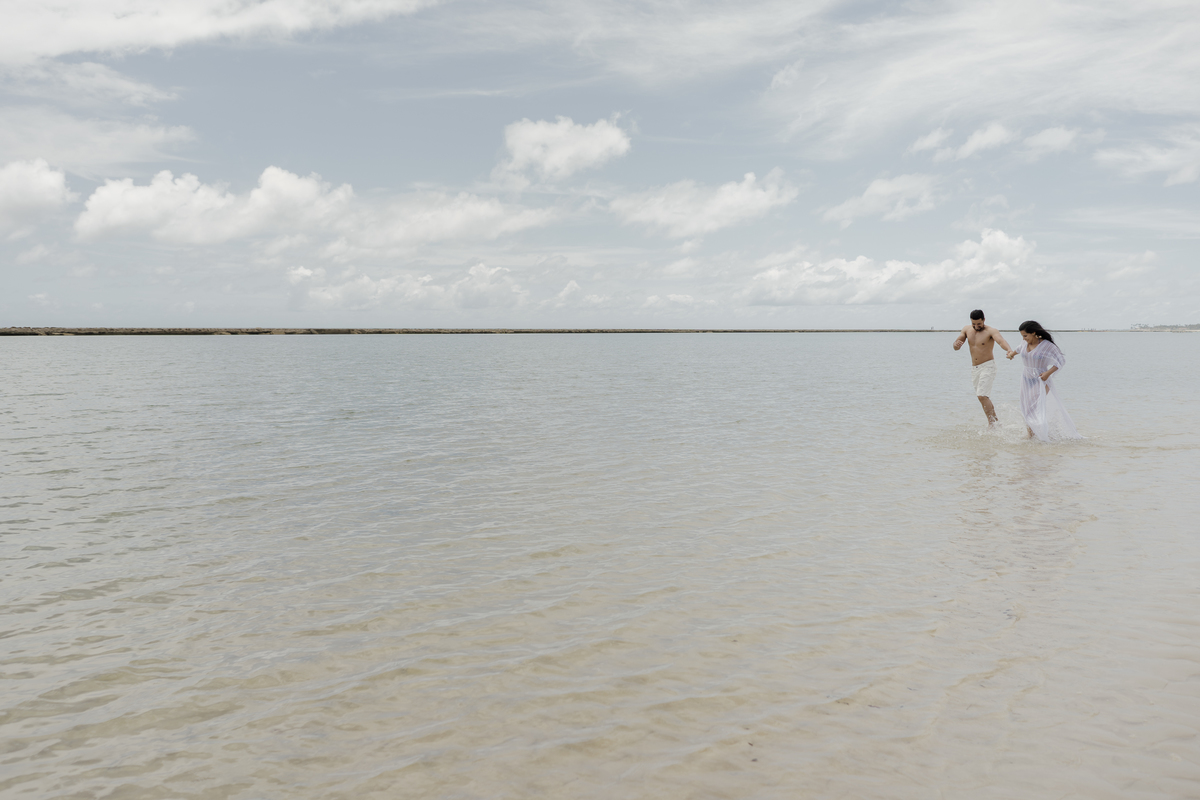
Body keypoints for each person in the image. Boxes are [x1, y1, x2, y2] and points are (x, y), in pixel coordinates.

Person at [1005, 320, 1081, 441]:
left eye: (1025, 335)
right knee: (1026, 407)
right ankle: (1031, 435)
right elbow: (1019, 349)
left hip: (1041, 380)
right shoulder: (1024, 343)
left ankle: (1043, 435)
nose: (1024, 339)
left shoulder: (1047, 345)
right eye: (1022, 336)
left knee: (1035, 407)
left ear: (1034, 333)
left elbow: (1061, 361)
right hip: (1025, 380)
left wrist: (1048, 373)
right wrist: (1011, 354)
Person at [953, 310, 1014, 426]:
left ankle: (992, 424)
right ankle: (995, 422)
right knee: (982, 397)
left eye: (979, 324)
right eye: (973, 324)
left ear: (984, 320)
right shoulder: (966, 329)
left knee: (982, 395)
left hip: (988, 366)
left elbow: (1001, 341)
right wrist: (955, 345)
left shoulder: (991, 331)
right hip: (975, 369)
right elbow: (957, 346)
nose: (976, 326)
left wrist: (1009, 350)